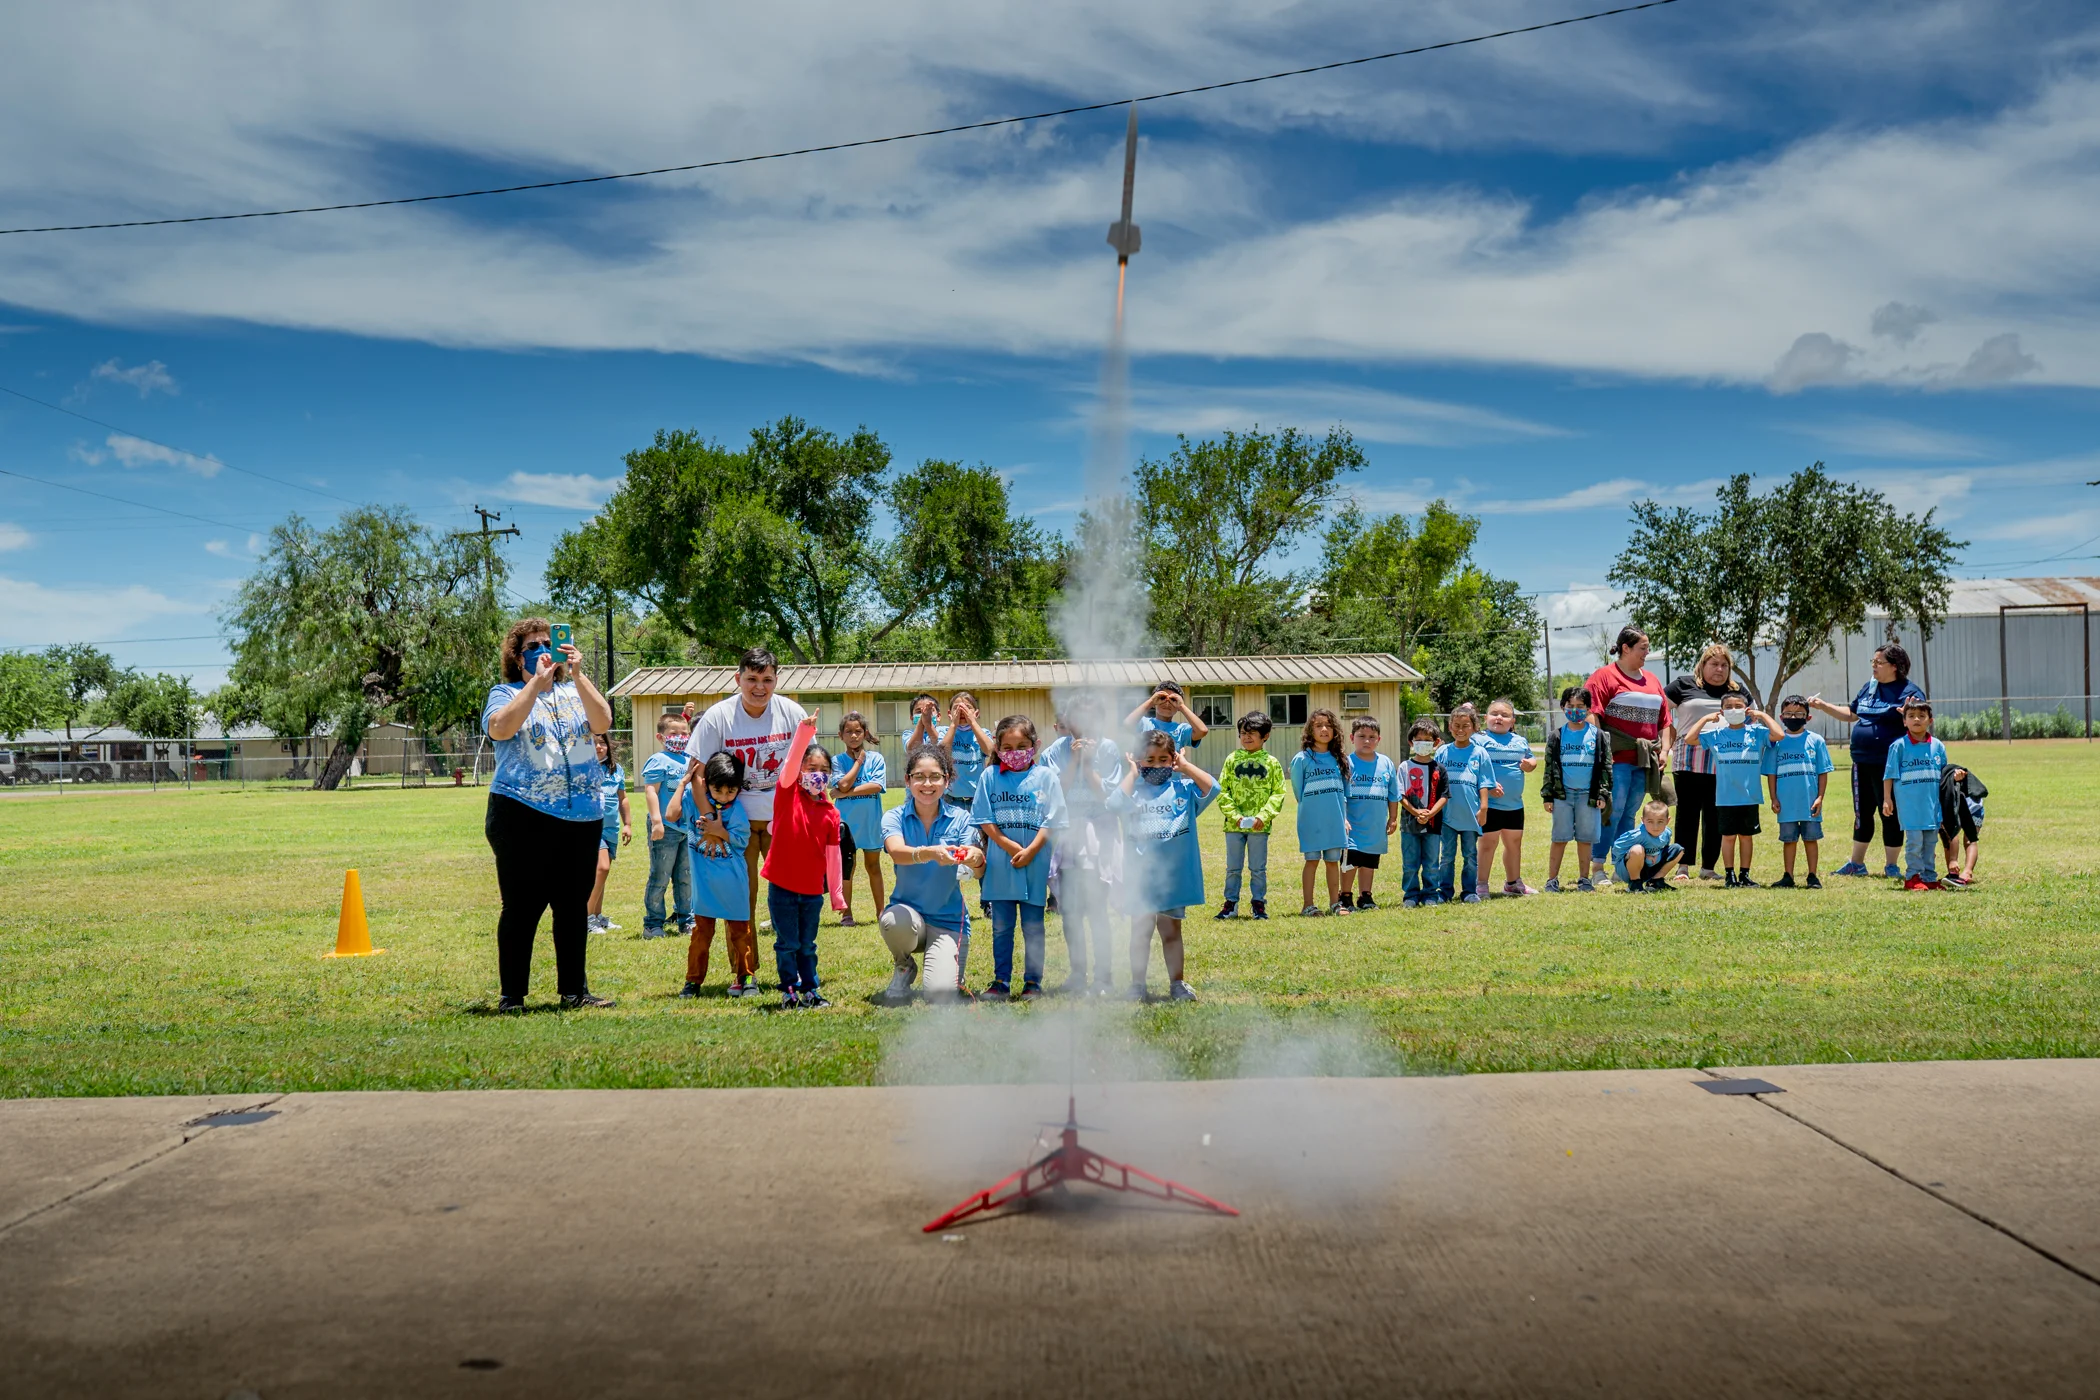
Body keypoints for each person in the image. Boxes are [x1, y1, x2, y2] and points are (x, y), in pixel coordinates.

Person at [480, 617, 616, 1011]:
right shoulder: (505, 691)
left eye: (549, 643)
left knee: (573, 908)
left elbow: (603, 722)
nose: (543, 650)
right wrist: (535, 687)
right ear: (517, 657)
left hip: (581, 816)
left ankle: (574, 992)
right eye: (533, 646)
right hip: (522, 814)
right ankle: (513, 997)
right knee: (522, 907)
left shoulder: (574, 691)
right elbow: (501, 729)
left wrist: (578, 674)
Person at [687, 648, 810, 932]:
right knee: (743, 898)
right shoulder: (718, 716)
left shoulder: (792, 713)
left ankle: (791, 968)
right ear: (737, 678)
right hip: (736, 822)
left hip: (782, 819)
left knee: (790, 893)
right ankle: (745, 972)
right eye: (751, 678)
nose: (759, 687)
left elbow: (808, 766)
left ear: (776, 680)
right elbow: (696, 775)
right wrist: (711, 822)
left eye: (767, 679)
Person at [1107, 728, 1219, 1002]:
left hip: (1172, 879)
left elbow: (1213, 787)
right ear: (1137, 760)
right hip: (1141, 879)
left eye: (1163, 759)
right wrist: (1132, 773)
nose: (1156, 765)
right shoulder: (1132, 791)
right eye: (1149, 759)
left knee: (1171, 932)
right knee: (1140, 932)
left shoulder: (1183, 788)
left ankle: (1177, 984)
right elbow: (1112, 804)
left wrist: (1186, 766)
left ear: (1172, 760)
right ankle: (1137, 986)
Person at [1806, 643, 1927, 878]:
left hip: (1890, 764)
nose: (1874, 666)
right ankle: (1856, 863)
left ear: (1894, 666)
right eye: (1873, 662)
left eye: (1878, 662)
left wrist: (1909, 717)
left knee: (1889, 812)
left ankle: (1891, 865)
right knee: (1862, 812)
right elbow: (1852, 714)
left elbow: (1920, 722)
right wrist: (1823, 706)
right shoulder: (1869, 688)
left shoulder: (1908, 692)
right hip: (1861, 761)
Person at [878, 745, 986, 1004]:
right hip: (908, 915)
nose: (927, 784)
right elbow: (896, 852)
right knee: (892, 920)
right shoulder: (894, 817)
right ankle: (904, 966)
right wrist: (929, 853)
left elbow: (979, 868)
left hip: (947, 922)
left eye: (935, 776)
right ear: (908, 780)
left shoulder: (962, 818)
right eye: (919, 777)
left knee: (940, 996)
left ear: (947, 780)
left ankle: (944, 965)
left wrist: (976, 858)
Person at [972, 715, 1066, 1002]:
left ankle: (1033, 983)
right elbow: (984, 818)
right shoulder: (989, 777)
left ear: (1035, 745)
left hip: (1035, 866)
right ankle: (1001, 981)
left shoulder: (1047, 777)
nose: (1015, 752)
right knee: (1001, 928)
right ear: (998, 749)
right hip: (1002, 866)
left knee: (1033, 927)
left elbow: (1054, 819)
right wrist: (1008, 846)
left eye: (1022, 745)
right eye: (1008, 747)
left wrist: (1032, 850)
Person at [1040, 696, 1125, 994]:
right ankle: (1077, 976)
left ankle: (1103, 978)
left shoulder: (1109, 749)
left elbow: (1109, 797)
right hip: (1067, 837)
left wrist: (1088, 765)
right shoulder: (1055, 751)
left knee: (1098, 910)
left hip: (1098, 835)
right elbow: (1053, 793)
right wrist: (1074, 760)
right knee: (1072, 911)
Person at [758, 713, 840, 1007]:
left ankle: (811, 989)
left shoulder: (831, 812)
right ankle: (789, 989)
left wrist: (837, 895)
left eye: (824, 770)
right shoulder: (787, 793)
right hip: (782, 886)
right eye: (811, 768)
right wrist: (804, 732)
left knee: (807, 945)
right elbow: (791, 763)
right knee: (787, 943)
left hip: (812, 891)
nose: (817, 774)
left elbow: (834, 856)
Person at [1585, 627, 1675, 872]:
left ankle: (1622, 865)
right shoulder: (1604, 676)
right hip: (1617, 758)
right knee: (1612, 810)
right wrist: (1600, 749)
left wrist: (1664, 750)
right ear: (1626, 648)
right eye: (1642, 648)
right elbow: (1592, 712)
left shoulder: (1653, 680)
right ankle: (1597, 866)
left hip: (1644, 760)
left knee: (1629, 813)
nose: (1647, 653)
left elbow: (1665, 721)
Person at [1664, 644, 1752, 881]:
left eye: (1724, 665)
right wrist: (1668, 740)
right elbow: (1661, 713)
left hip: (1724, 760)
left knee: (1717, 814)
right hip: (1689, 757)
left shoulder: (1738, 691)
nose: (1719, 669)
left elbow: (1750, 720)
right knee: (1687, 813)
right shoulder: (1683, 685)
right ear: (1702, 665)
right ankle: (1682, 867)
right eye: (1713, 664)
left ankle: (1708, 868)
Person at [1680, 692, 1779, 887]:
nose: (1734, 710)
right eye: (1729, 707)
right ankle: (1729, 875)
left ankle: (1744, 874)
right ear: (1722, 712)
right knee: (1728, 837)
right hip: (1725, 797)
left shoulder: (1756, 732)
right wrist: (1705, 719)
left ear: (1746, 709)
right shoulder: (1716, 735)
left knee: (1746, 837)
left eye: (1738, 706)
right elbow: (1689, 739)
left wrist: (1762, 715)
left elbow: (1779, 735)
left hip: (1750, 797)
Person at [679, 752, 755, 998]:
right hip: (705, 885)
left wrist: (719, 831)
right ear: (707, 784)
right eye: (717, 790)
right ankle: (693, 982)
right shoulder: (693, 800)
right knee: (701, 935)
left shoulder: (737, 811)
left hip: (733, 883)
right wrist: (686, 782)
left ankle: (747, 979)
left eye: (730, 791)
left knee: (740, 934)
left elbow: (741, 841)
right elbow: (672, 814)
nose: (724, 796)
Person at [1213, 711, 1286, 920]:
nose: (1246, 737)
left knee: (1258, 868)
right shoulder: (1232, 759)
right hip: (1234, 826)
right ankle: (1231, 904)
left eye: (1252, 733)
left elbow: (1278, 792)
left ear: (1265, 736)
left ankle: (1258, 903)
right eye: (1243, 733)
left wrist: (1264, 816)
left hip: (1259, 826)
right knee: (1233, 868)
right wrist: (1233, 815)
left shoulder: (1271, 762)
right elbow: (1222, 790)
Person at [1541, 685, 1609, 893]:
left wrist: (1603, 793)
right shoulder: (1557, 736)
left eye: (1581, 706)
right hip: (1563, 795)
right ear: (1563, 707)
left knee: (1585, 838)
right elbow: (1549, 766)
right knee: (1559, 837)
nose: (1575, 710)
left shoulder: (1598, 735)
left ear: (1589, 709)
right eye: (1571, 706)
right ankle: (1552, 880)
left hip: (1587, 796)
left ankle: (1584, 879)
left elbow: (1606, 766)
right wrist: (1548, 795)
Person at [1433, 703, 1502, 904]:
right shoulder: (1443, 752)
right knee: (1446, 856)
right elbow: (1436, 783)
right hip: (1447, 815)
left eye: (1465, 725)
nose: (1461, 730)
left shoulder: (1480, 753)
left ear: (1474, 727)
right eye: (1456, 725)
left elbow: (1484, 783)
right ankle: (1444, 891)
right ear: (1450, 727)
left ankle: (1469, 891)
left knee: (1470, 856)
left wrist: (1484, 808)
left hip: (1471, 815)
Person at [1763, 695, 1834, 889]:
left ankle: (1812, 876)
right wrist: (1773, 798)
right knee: (1789, 840)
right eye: (1789, 713)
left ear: (1808, 717)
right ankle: (1788, 875)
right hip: (1786, 803)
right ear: (1781, 716)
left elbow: (1823, 772)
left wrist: (1820, 797)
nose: (1793, 717)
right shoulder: (1776, 742)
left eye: (1799, 714)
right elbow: (1771, 773)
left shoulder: (1816, 741)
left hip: (1810, 802)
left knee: (1811, 839)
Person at [1475, 698, 1540, 897]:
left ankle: (1513, 883)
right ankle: (1481, 884)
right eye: (1494, 714)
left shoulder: (1519, 741)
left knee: (1514, 844)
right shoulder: (1478, 740)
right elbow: (1472, 767)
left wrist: (1532, 763)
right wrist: (1488, 785)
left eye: (1505, 715)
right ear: (1485, 718)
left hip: (1514, 804)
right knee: (1488, 844)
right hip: (1489, 804)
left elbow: (1530, 758)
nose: (1499, 718)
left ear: (1513, 721)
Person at [637, 711, 694, 939]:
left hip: (687, 829)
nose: (680, 737)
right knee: (660, 876)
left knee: (686, 877)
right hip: (665, 828)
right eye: (674, 733)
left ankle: (686, 920)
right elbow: (651, 791)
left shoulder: (691, 759)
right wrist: (657, 821)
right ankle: (653, 923)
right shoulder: (658, 760)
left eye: (684, 733)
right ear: (661, 737)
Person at [1883, 699, 1950, 890]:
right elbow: (1889, 774)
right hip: (1910, 806)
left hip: (1932, 805)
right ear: (1904, 721)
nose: (1916, 720)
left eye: (1922, 716)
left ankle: (1929, 877)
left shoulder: (1938, 746)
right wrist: (1887, 798)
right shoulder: (1899, 746)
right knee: (1914, 843)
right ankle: (1913, 876)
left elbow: (1944, 774)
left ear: (1930, 720)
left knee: (1930, 842)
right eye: (1911, 716)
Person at [1290, 708, 1350, 916]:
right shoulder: (1302, 759)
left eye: (1328, 725)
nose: (1324, 729)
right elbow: (1299, 792)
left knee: (1333, 861)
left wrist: (1344, 819)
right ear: (1310, 730)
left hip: (1335, 821)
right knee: (1312, 860)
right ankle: (1308, 905)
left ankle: (1335, 904)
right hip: (1311, 820)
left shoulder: (1340, 759)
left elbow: (1344, 794)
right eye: (1318, 725)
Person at [1339, 716, 1402, 911]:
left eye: (1372, 737)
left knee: (1369, 861)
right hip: (1352, 824)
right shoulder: (1346, 763)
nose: (1367, 741)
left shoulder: (1386, 763)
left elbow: (1393, 794)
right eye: (1361, 736)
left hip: (1375, 825)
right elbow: (1339, 794)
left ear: (1379, 739)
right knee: (1351, 860)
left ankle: (1365, 896)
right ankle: (1345, 896)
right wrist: (1343, 819)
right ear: (1352, 738)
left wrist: (1393, 818)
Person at [832, 711, 888, 926]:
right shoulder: (837, 761)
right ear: (841, 735)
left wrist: (845, 793)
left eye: (858, 731)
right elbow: (843, 783)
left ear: (865, 733)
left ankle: (881, 911)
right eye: (849, 732)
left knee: (873, 866)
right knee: (848, 869)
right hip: (846, 824)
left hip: (871, 822)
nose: (854, 736)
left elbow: (876, 785)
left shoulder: (876, 759)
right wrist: (858, 763)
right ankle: (846, 913)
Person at [1396, 718, 1448, 908]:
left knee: (1432, 863)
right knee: (1410, 863)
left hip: (1433, 825)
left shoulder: (1439, 768)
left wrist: (1430, 813)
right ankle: (1410, 894)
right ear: (1411, 742)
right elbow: (1399, 795)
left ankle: (1430, 894)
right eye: (1419, 739)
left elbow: (1444, 795)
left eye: (1428, 740)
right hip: (1409, 825)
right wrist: (1416, 811)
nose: (1423, 743)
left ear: (1435, 743)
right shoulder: (1404, 767)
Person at [587, 732, 629, 934]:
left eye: (602, 743)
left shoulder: (616, 770)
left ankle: (597, 915)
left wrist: (627, 824)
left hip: (611, 829)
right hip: (592, 828)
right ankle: (586, 917)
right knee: (601, 869)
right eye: (593, 743)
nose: (598, 747)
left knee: (603, 875)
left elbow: (623, 799)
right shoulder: (584, 768)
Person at [1611, 800, 1684, 891]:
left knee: (1678, 849)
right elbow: (1617, 847)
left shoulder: (1666, 833)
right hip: (1629, 870)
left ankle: (1655, 881)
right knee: (1637, 849)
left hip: (1650, 867)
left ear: (1667, 821)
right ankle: (1635, 883)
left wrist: (1657, 855)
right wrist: (1642, 857)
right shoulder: (1638, 834)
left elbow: (1663, 847)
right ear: (1642, 820)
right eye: (1650, 821)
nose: (1655, 826)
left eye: (1660, 821)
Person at [1125, 680, 1210, 751]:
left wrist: (1182, 706)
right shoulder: (1144, 723)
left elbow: (1202, 731)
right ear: (1155, 703)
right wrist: (1151, 701)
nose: (1167, 703)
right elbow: (1127, 724)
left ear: (1178, 707)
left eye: (1173, 700)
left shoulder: (1181, 730)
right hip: (1146, 771)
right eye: (1162, 698)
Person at [1939, 762, 1987, 887]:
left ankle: (1967, 872)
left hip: (1973, 806)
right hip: (1954, 803)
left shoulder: (1944, 784)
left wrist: (1953, 860)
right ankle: (1952, 873)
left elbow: (1952, 832)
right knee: (1946, 836)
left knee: (1969, 839)